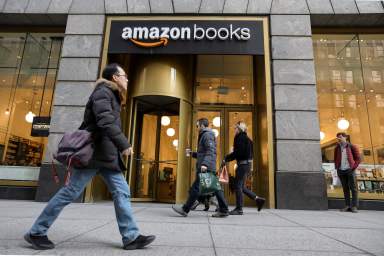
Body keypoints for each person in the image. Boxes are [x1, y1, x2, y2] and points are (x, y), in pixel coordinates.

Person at [24, 63, 155, 250]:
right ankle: (37, 232)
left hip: (105, 156)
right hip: (93, 155)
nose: (127, 78)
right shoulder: (103, 92)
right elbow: (105, 121)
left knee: (122, 191)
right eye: (124, 75)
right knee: (70, 192)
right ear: (115, 78)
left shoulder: (112, 95)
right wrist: (124, 144)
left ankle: (131, 236)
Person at [172, 118, 229, 218]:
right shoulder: (205, 135)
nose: (197, 128)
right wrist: (192, 153)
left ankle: (185, 209)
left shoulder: (207, 135)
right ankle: (223, 209)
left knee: (197, 188)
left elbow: (210, 151)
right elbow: (203, 153)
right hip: (207, 165)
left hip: (206, 166)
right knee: (213, 188)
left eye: (197, 125)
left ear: (202, 125)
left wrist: (205, 164)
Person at [222, 121, 265, 215]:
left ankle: (239, 209)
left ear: (240, 129)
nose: (234, 130)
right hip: (246, 165)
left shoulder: (240, 137)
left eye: (236, 128)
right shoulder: (248, 139)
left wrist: (226, 158)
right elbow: (248, 154)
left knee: (238, 186)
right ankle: (258, 199)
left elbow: (238, 152)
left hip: (242, 165)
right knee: (241, 186)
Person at [334, 132, 361, 213]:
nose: (339, 138)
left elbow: (358, 159)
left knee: (353, 189)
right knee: (345, 189)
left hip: (350, 170)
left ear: (345, 137)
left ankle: (354, 206)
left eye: (340, 137)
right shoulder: (337, 148)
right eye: (338, 137)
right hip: (341, 170)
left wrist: (353, 167)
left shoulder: (352, 146)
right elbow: (335, 158)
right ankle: (347, 206)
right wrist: (337, 168)